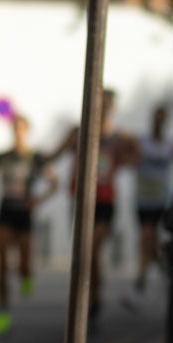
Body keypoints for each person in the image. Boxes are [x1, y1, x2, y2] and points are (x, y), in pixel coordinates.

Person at [45, 89, 139, 324]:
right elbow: (54, 153)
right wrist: (41, 162)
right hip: (80, 200)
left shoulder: (119, 136)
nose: (102, 109)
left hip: (105, 201)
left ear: (112, 108)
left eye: (106, 105)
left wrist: (125, 160)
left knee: (92, 249)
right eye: (99, 104)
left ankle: (93, 299)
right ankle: (93, 297)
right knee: (84, 254)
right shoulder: (79, 132)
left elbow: (136, 156)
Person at [0, 113, 58, 336]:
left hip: (24, 213)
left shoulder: (35, 158)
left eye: (21, 129)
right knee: (1, 264)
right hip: (5, 210)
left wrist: (37, 200)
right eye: (15, 129)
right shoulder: (2, 157)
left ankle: (26, 276)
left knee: (24, 262)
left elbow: (54, 182)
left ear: (27, 131)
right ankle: (3, 312)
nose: (18, 133)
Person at [124, 104, 173, 310]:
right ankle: (166, 269)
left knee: (147, 239)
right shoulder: (141, 142)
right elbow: (128, 156)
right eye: (156, 117)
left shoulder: (169, 144)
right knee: (149, 244)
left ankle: (139, 286)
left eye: (162, 118)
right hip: (142, 200)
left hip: (160, 201)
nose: (158, 121)